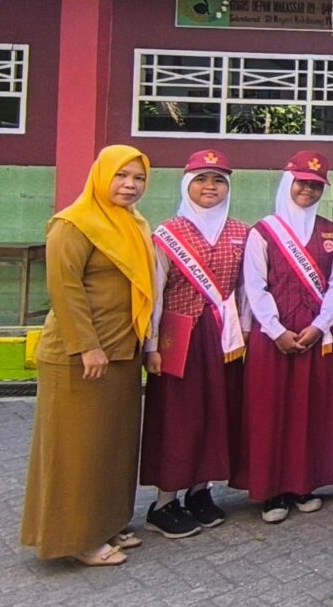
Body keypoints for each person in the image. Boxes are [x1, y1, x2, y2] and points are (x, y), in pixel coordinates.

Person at [20, 145, 154, 566]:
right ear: (101, 175)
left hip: (121, 351)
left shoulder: (133, 224)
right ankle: (75, 537)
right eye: (121, 176)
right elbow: (65, 290)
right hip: (80, 356)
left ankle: (106, 522)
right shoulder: (73, 224)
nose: (130, 185)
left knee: (111, 447)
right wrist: (87, 346)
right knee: (75, 450)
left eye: (138, 178)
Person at [139, 149, 250, 538]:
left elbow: (244, 290)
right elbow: (154, 292)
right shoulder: (168, 233)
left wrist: (247, 331)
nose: (210, 187)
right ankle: (164, 501)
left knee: (218, 411)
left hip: (225, 337)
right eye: (202, 179)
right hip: (180, 335)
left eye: (218, 180)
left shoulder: (240, 231)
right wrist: (151, 344)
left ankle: (201, 490)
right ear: (187, 185)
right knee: (178, 417)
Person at [235, 150, 333, 523]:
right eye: (302, 183)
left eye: (316, 185)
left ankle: (304, 483)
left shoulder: (332, 232)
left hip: (315, 335)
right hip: (274, 338)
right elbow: (255, 285)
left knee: (310, 409)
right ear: (288, 182)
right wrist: (277, 331)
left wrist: (319, 325)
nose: (308, 190)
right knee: (271, 410)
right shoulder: (263, 231)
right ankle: (272, 490)